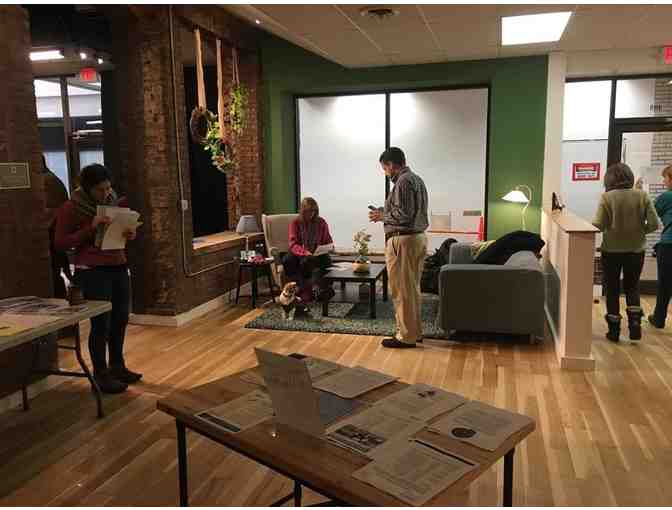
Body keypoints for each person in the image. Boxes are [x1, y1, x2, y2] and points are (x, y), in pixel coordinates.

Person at [55, 164, 141, 393]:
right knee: (101, 324)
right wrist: (90, 228)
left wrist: (129, 233)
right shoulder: (71, 208)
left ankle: (117, 366)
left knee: (120, 319)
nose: (106, 193)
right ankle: (100, 374)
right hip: (92, 270)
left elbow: (118, 233)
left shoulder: (113, 203)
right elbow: (61, 243)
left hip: (118, 265)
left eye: (108, 188)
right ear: (87, 188)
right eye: (100, 190)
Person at [369, 147, 428, 349]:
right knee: (412, 289)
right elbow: (408, 210)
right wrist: (385, 210)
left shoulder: (403, 182)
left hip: (403, 241)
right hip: (417, 239)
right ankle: (414, 332)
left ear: (391, 164)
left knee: (401, 290)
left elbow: (404, 215)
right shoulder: (417, 180)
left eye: (384, 168)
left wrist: (382, 216)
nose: (385, 173)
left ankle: (405, 336)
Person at [592, 163, 659, 342]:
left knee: (612, 289)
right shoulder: (642, 196)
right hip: (636, 250)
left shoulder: (607, 197)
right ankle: (635, 326)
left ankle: (614, 331)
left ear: (609, 179)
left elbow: (598, 225)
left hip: (611, 251)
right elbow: (654, 224)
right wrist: (639, 232)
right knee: (632, 286)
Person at [283, 197, 335, 304]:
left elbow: (328, 240)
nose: (311, 213)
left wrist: (330, 247)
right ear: (302, 210)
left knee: (325, 261)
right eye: (308, 211)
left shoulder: (321, 222)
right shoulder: (295, 223)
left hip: (317, 253)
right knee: (288, 260)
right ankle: (305, 290)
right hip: (300, 253)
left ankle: (322, 289)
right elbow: (293, 244)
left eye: (314, 211)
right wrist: (304, 252)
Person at [42, 155, 71, 298]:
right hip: (54, 231)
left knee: (53, 273)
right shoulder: (50, 179)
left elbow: (53, 210)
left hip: (52, 232)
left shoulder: (48, 181)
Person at [648, 164, 672, 329]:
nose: (664, 181)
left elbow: (650, 212)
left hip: (669, 244)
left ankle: (659, 318)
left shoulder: (667, 196)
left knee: (665, 283)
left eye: (665, 178)